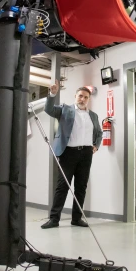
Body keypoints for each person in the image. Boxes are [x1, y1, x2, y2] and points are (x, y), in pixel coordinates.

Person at [41, 82, 103, 229]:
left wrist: (96, 145)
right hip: (68, 152)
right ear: (75, 96)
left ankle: (76, 218)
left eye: (86, 97)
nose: (82, 99)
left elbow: (99, 133)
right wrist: (52, 95)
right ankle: (54, 219)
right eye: (80, 96)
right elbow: (48, 109)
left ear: (88, 99)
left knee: (81, 187)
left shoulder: (93, 115)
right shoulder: (65, 110)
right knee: (62, 186)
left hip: (86, 154)